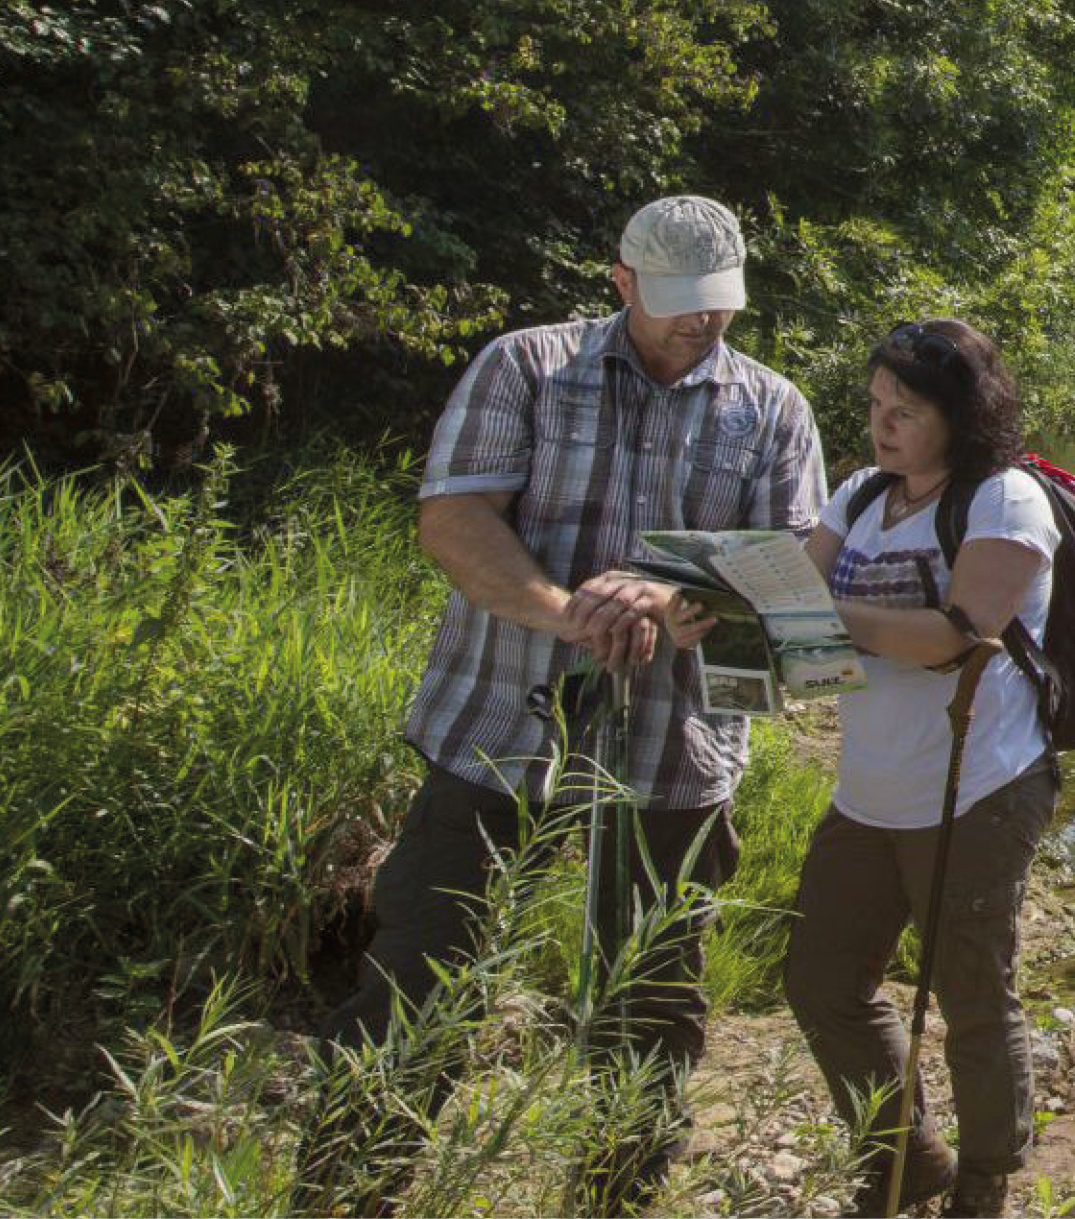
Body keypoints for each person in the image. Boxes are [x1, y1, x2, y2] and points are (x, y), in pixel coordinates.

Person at [302, 194, 825, 1217]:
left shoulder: (771, 406)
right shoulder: (527, 367)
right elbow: (453, 522)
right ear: (621, 283)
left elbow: (795, 574)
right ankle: (344, 1198)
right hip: (498, 725)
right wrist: (567, 612)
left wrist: (684, 601)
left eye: (718, 305)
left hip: (675, 745)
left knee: (653, 1004)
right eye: (678, 304)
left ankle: (614, 1200)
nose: (700, 325)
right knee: (416, 977)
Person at [785, 318, 1065, 1218]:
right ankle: (906, 1157)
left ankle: (985, 1180)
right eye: (875, 405)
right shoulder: (861, 495)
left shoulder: (1005, 501)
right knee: (822, 981)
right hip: (870, 788)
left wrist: (826, 615)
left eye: (907, 410)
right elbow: (790, 608)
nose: (884, 425)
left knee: (973, 994)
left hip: (978, 785)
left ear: (960, 415)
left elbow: (956, 636)